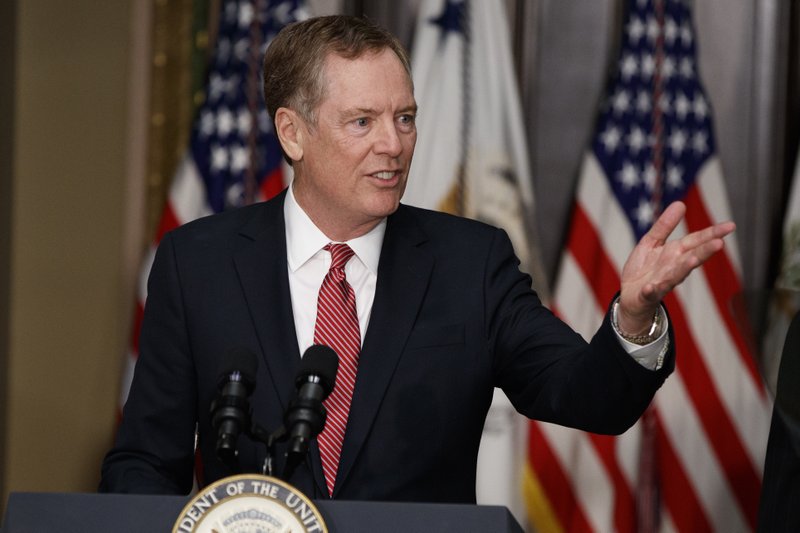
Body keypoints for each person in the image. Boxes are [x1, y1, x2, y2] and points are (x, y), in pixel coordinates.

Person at [99, 15, 735, 502]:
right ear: (292, 132)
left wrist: (633, 318)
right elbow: (144, 463)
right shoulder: (198, 263)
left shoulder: (470, 263)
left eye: (405, 118)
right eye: (362, 121)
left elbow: (586, 396)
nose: (393, 145)